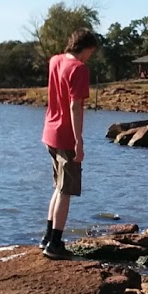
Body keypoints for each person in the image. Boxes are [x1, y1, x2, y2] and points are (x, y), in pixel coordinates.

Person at [40, 29, 100, 259]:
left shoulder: (55, 60)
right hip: (65, 135)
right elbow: (76, 107)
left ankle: (47, 237)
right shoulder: (79, 69)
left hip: (50, 131)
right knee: (66, 191)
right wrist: (78, 140)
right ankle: (55, 244)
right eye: (90, 52)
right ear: (85, 48)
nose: (89, 57)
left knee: (58, 187)